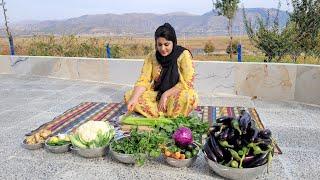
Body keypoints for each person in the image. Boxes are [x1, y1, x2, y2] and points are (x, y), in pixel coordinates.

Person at [124, 23, 198, 118]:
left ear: (173, 42)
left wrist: (166, 95)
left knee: (188, 97)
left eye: (166, 44)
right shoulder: (152, 56)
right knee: (130, 95)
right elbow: (144, 80)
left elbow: (187, 83)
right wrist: (134, 99)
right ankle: (165, 114)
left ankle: (160, 113)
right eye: (159, 45)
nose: (162, 49)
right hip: (157, 95)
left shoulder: (183, 55)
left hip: (175, 94)